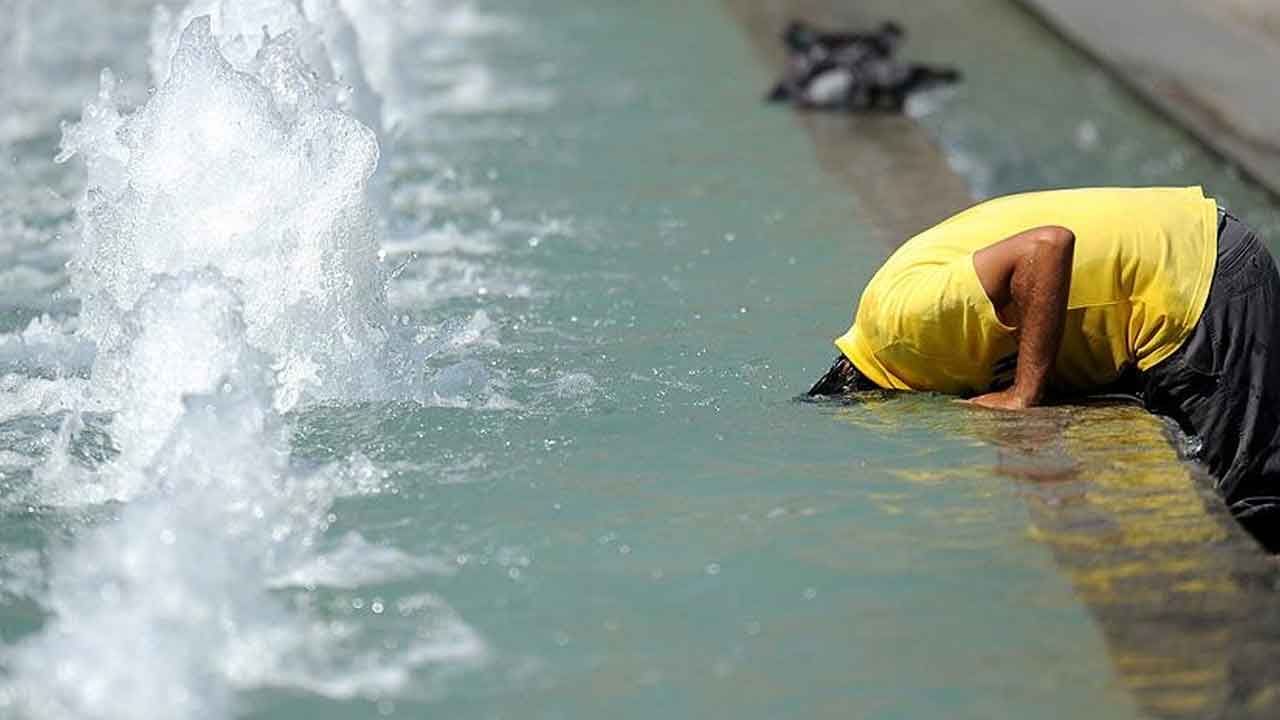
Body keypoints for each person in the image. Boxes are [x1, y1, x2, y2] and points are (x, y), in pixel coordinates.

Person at [808, 186, 1280, 550]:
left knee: (1252, 512)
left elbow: (1047, 247)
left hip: (1196, 281)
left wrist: (1023, 393)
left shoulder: (901, 327)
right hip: (1186, 254)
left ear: (867, 395)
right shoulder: (890, 320)